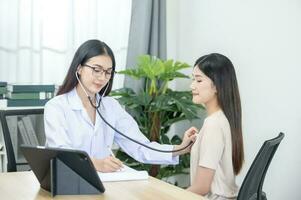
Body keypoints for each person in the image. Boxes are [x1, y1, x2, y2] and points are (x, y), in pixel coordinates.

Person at [44, 39, 196, 172]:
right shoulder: (56, 107)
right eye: (96, 70)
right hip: (65, 183)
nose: (102, 78)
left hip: (101, 185)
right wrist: (96, 164)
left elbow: (140, 146)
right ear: (79, 68)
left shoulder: (111, 107)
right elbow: (61, 153)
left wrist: (180, 148)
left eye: (108, 72)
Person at [187, 53, 244, 199]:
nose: (192, 85)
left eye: (198, 80)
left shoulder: (213, 125)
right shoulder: (223, 119)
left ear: (217, 86)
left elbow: (201, 187)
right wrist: (199, 143)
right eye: (193, 79)